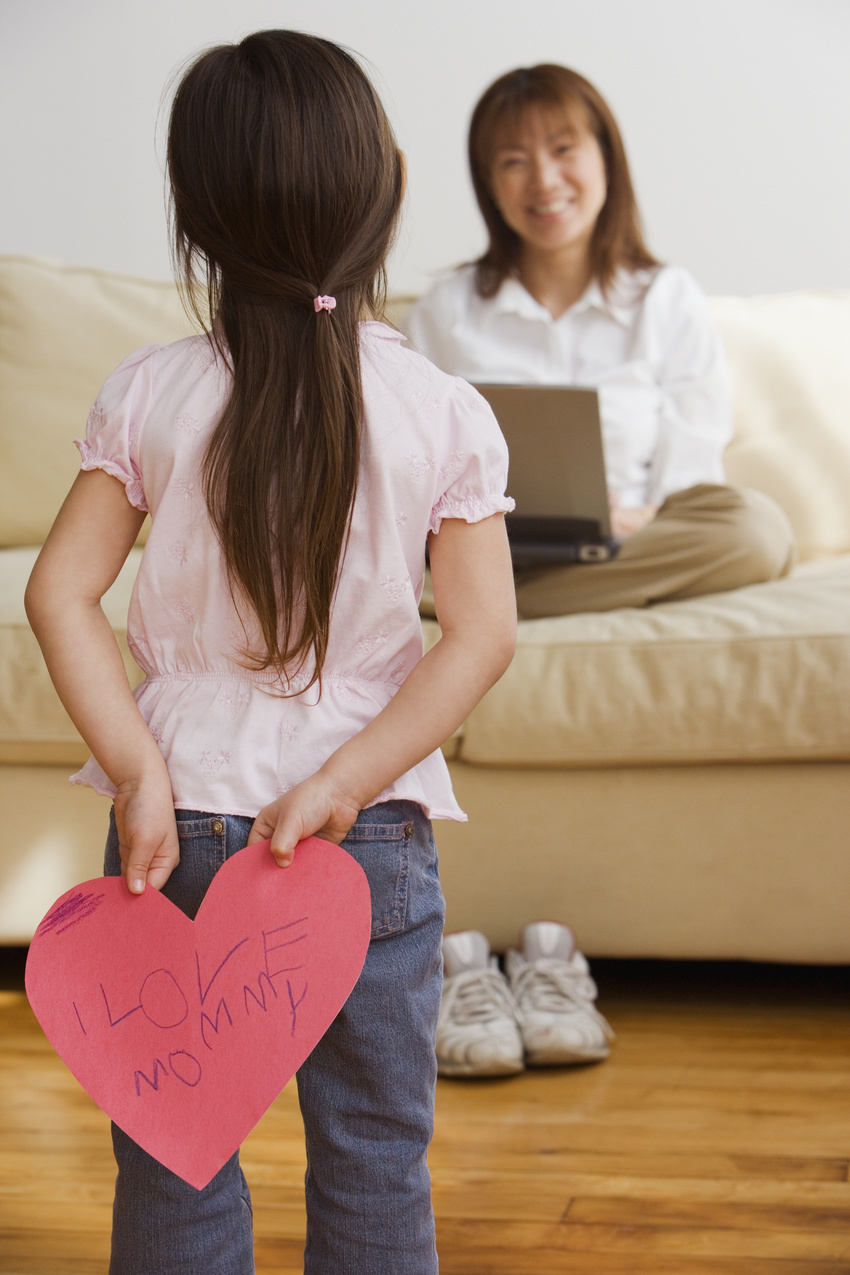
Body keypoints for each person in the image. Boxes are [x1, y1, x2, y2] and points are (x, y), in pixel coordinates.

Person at [25, 31, 517, 1275]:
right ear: (386, 195)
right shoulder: (442, 412)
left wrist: (136, 768)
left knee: (175, 1148)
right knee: (371, 1150)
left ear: (197, 218)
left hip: (172, 822)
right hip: (363, 840)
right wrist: (347, 782)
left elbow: (57, 595)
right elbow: (483, 635)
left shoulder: (149, 394)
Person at [407, 63, 795, 1079]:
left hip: (630, 543)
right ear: (487, 182)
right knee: (429, 561)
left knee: (753, 527)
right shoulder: (451, 307)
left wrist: (636, 514)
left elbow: (696, 470)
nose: (543, 177)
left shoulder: (662, 299)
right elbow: (414, 459)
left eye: (563, 148)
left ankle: (482, 608)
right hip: (483, 544)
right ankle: (480, 591)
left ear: (604, 159)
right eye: (512, 158)